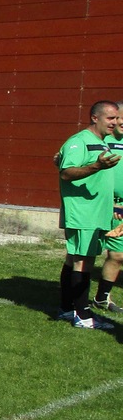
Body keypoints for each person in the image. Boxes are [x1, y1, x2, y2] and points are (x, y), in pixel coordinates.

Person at [56, 100, 120, 329]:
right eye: (111, 118)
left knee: (75, 259)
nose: (115, 122)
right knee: (83, 261)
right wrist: (96, 167)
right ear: (95, 118)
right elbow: (66, 172)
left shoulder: (102, 142)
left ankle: (66, 309)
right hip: (83, 211)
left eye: (117, 118)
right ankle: (83, 316)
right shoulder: (79, 141)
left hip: (97, 211)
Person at [91, 106, 123, 313]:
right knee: (84, 254)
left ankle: (101, 298)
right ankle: (71, 298)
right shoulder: (100, 140)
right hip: (98, 204)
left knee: (118, 255)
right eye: (118, 118)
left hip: (121, 209)